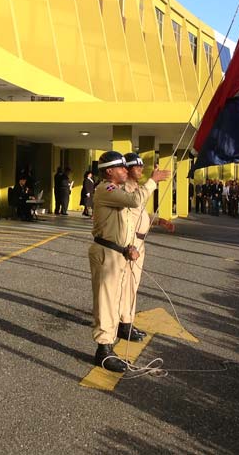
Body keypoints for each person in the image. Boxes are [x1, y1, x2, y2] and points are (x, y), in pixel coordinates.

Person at [88, 150, 164, 373]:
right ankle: (103, 351)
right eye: (121, 167)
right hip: (106, 255)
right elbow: (134, 200)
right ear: (109, 171)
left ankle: (109, 345)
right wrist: (153, 181)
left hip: (117, 252)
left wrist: (128, 247)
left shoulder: (116, 190)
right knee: (107, 302)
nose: (126, 170)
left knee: (116, 299)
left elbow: (126, 224)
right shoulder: (106, 189)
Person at [119, 153, 171, 342]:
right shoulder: (125, 190)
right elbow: (127, 216)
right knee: (127, 286)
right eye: (137, 166)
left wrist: (158, 221)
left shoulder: (136, 188)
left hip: (140, 243)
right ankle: (124, 324)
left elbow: (140, 214)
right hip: (131, 244)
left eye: (142, 166)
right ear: (127, 169)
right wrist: (153, 181)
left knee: (133, 285)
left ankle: (127, 322)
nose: (141, 169)